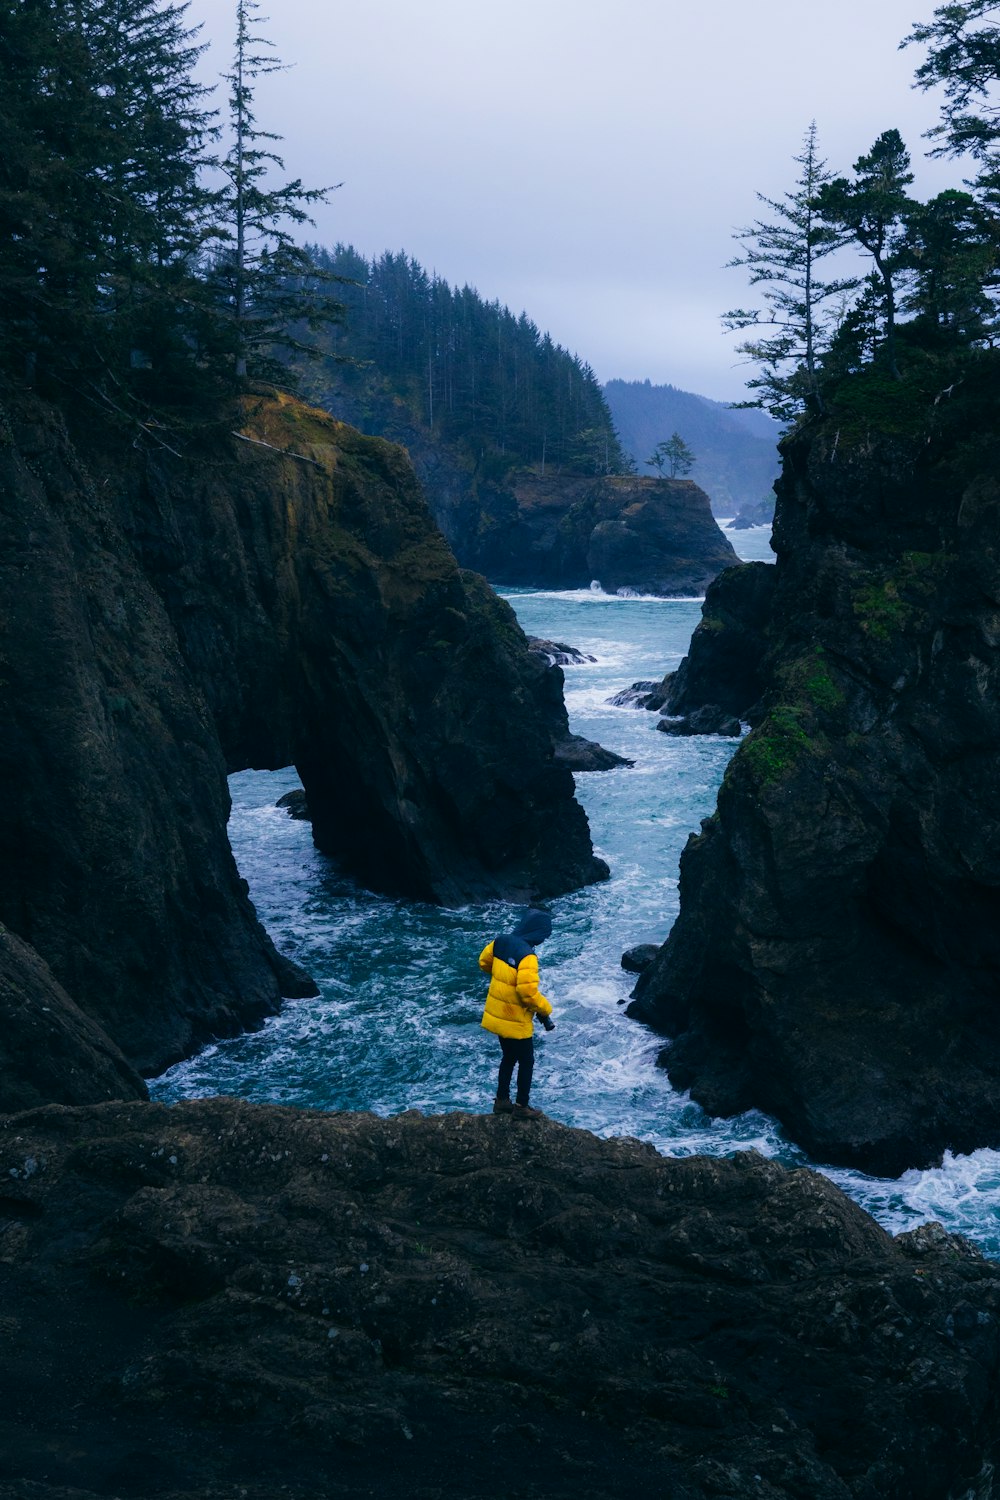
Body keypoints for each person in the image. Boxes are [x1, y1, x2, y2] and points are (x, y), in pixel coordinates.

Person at [479, 908, 555, 1120]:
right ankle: (522, 1106)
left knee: (508, 1057)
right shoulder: (528, 956)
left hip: (498, 1013)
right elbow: (527, 993)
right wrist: (545, 1009)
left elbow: (483, 962)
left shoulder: (500, 941)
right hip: (515, 1019)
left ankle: (502, 1101)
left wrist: (503, 978)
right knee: (527, 1061)